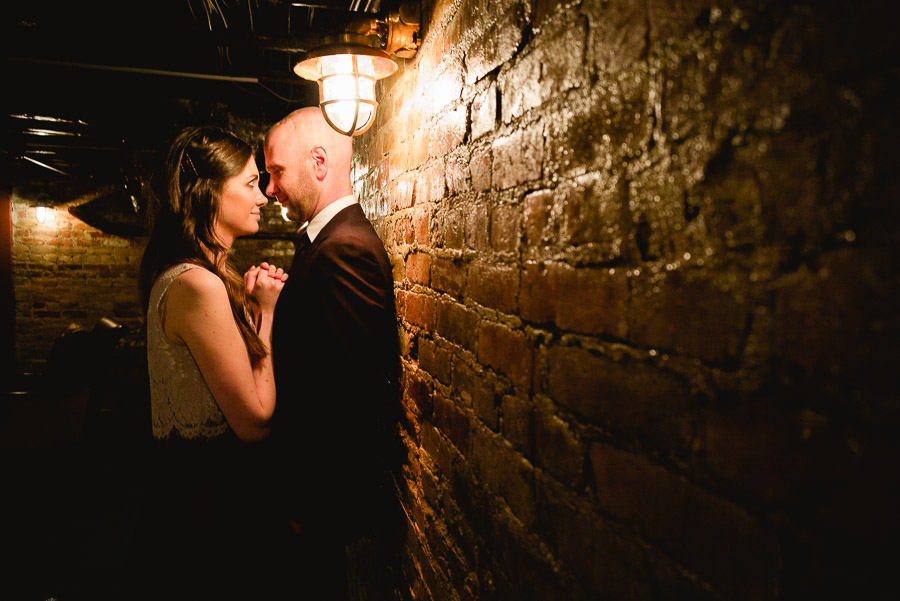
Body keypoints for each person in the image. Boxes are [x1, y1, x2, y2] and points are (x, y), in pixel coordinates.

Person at [134, 125, 290, 599]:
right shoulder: (196, 285)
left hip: (188, 495)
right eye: (248, 183)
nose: (262, 195)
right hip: (209, 504)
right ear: (208, 195)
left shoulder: (188, 274)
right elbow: (256, 421)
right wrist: (266, 313)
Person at [258, 107, 405, 599]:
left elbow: (346, 399)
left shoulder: (345, 250)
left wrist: (307, 507)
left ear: (318, 162)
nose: (270, 188)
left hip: (326, 514)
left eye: (275, 172)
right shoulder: (327, 244)